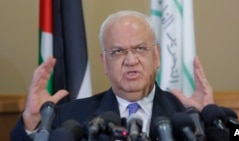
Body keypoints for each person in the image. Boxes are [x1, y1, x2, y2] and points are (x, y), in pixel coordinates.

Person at [11, 10, 214, 141]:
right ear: (104, 63)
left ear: (157, 56)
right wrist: (32, 122)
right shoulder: (69, 118)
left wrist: (214, 126)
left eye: (140, 48)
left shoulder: (188, 115)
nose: (131, 60)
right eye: (118, 52)